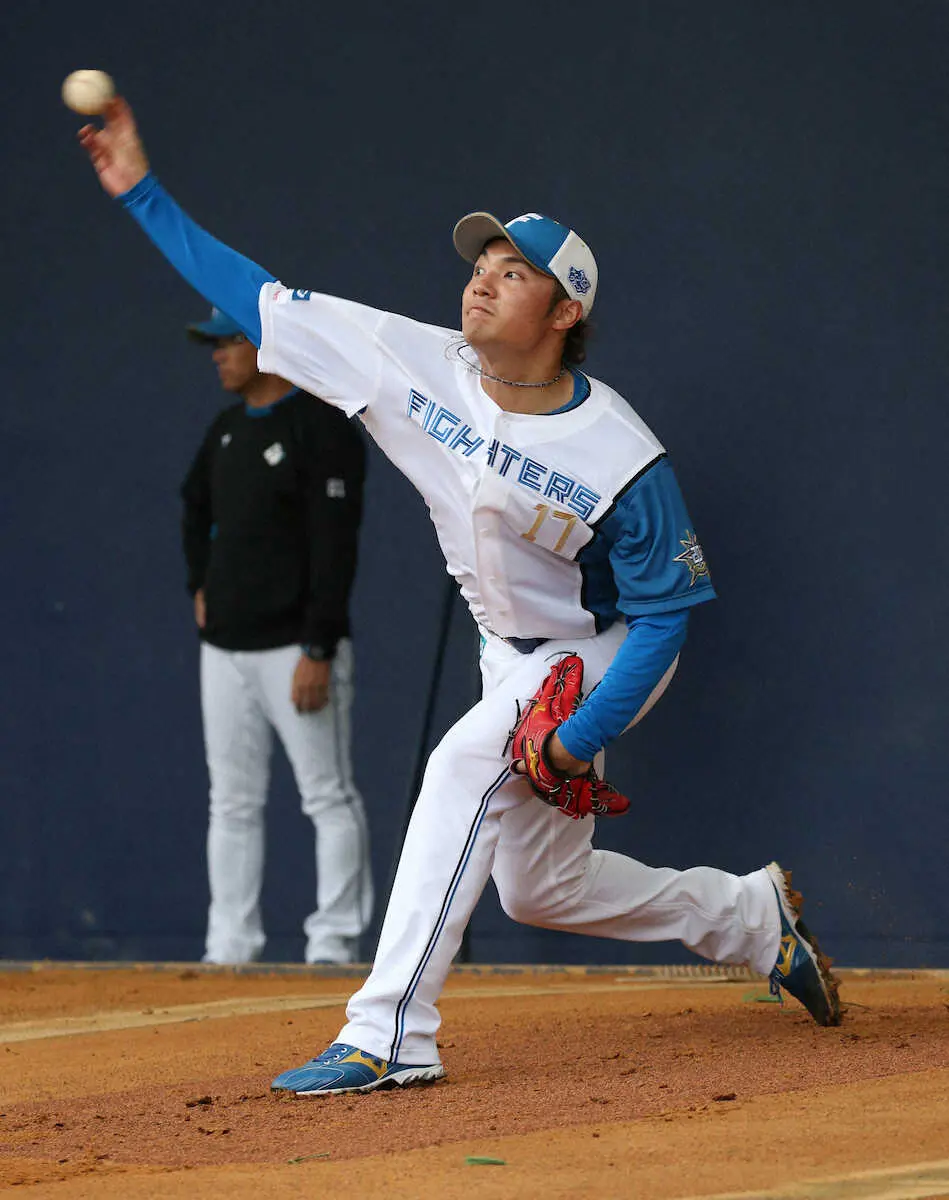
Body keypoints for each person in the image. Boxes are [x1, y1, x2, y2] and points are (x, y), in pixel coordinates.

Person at [77, 97, 841, 1094]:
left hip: (598, 649)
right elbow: (256, 298)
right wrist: (139, 188)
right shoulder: (411, 364)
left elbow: (661, 622)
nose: (483, 275)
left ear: (564, 314)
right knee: (542, 890)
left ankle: (388, 1034)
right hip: (506, 651)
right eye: (482, 261)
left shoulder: (621, 454)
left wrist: (577, 732)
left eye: (513, 271)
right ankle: (750, 917)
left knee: (460, 768)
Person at [180, 304, 372, 966]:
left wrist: (318, 646)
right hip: (225, 648)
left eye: (226, 342)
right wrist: (198, 586)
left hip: (297, 648)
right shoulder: (226, 431)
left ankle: (333, 941)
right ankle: (228, 945)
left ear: (264, 347)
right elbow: (193, 506)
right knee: (229, 801)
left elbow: (335, 547)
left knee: (326, 794)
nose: (216, 355)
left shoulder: (321, 428)